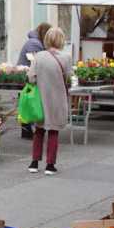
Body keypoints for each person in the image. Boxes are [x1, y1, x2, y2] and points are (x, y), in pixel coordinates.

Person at [28, 26, 70, 175]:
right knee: (53, 131)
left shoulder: (38, 56)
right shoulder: (66, 57)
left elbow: (31, 78)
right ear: (61, 41)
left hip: (40, 98)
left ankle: (34, 163)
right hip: (57, 99)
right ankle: (50, 165)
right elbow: (68, 78)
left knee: (39, 130)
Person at [16, 22, 51, 139]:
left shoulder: (35, 42)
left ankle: (27, 131)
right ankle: (28, 131)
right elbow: (36, 62)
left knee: (28, 104)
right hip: (28, 79)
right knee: (30, 104)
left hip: (28, 77)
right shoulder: (34, 43)